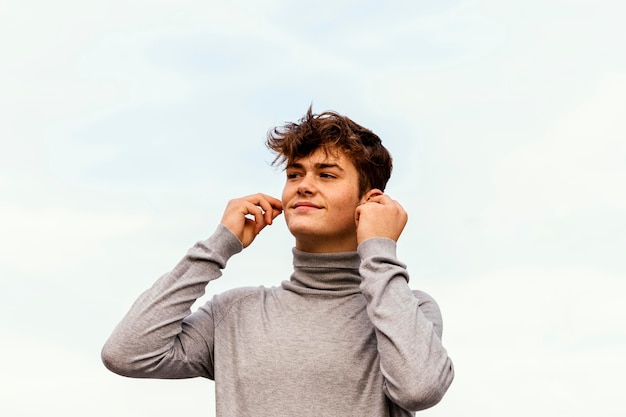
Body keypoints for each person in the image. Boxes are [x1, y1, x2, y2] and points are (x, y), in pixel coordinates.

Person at [101, 107, 454, 416]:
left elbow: (419, 389)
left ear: (371, 200)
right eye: (294, 174)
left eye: (326, 175)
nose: (303, 185)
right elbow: (127, 353)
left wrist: (378, 249)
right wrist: (217, 245)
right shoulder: (234, 313)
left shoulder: (410, 311)